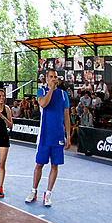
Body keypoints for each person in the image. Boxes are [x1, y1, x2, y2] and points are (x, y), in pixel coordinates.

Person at [25, 69, 70, 207]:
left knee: (54, 165)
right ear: (46, 78)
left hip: (58, 136)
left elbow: (66, 116)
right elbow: (43, 104)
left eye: (55, 77)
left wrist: (68, 136)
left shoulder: (63, 95)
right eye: (51, 77)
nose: (53, 79)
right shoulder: (42, 92)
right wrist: (50, 90)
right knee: (39, 164)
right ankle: (34, 190)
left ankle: (48, 193)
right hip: (44, 135)